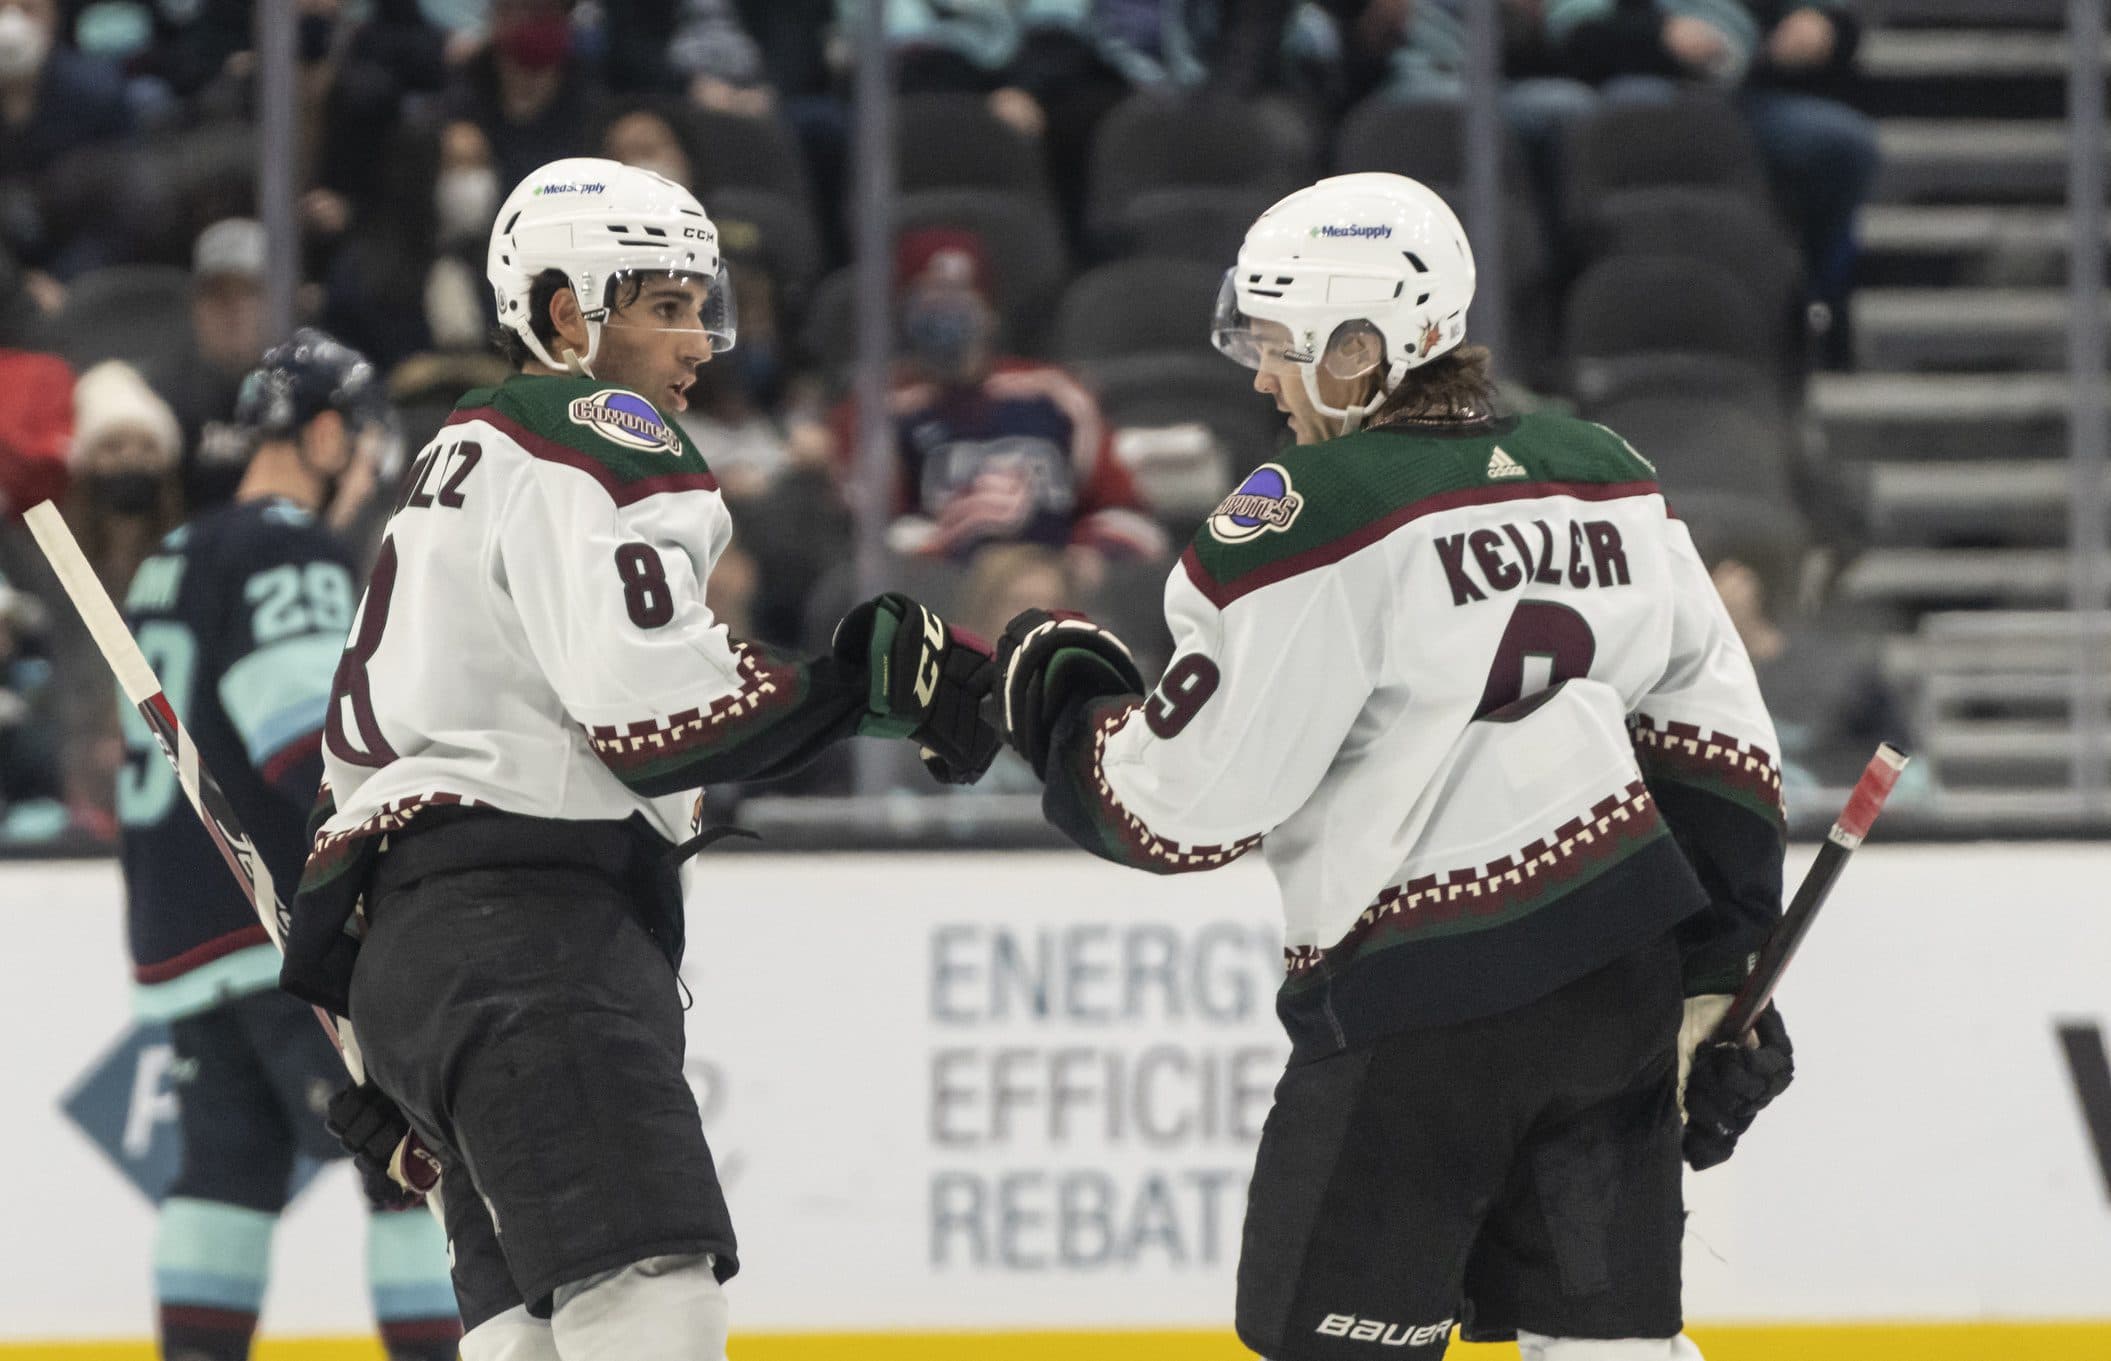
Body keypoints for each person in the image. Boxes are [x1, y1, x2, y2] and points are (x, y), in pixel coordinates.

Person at [984, 172, 1796, 1360]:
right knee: (1611, 1347)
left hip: (1422, 1021)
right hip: (1614, 982)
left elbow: (1186, 805)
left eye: (1278, 342)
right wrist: (1721, 968)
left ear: (1361, 348)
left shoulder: (1314, 508)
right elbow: (1713, 739)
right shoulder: (1604, 467)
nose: (1259, 376)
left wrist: (1060, 713)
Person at [281, 158, 998, 1360]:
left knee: (527, 1339)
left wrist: (391, 1040)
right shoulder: (586, 430)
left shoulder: (454, 468)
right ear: (567, 313)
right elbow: (651, 707)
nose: (698, 344)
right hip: (533, 940)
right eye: (664, 306)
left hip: (430, 964)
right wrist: (868, 691)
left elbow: (351, 803)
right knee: (649, 1304)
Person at [114, 329, 460, 1361]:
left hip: (181, 934)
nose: (364, 482)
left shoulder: (175, 554)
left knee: (227, 1170)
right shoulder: (286, 546)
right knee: (417, 1162)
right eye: (361, 450)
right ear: (322, 434)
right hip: (279, 931)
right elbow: (307, 746)